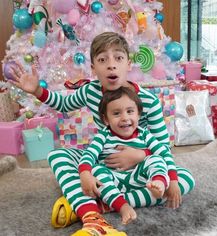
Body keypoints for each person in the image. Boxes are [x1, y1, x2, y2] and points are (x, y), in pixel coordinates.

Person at [10, 31, 195, 236]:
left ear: (128, 65)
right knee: (57, 155)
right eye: (102, 59)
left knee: (184, 179)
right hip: (104, 164)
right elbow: (63, 104)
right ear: (93, 68)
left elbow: (162, 144)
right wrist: (37, 91)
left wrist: (142, 155)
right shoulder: (90, 91)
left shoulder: (148, 101)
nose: (111, 65)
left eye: (118, 58)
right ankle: (93, 215)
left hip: (140, 168)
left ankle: (98, 204)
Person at [79, 86, 170, 227]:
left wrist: (170, 178)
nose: (125, 118)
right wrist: (85, 173)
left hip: (140, 179)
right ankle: (122, 205)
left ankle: (158, 184)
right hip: (113, 180)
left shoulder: (144, 134)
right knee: (96, 170)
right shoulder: (104, 136)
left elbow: (163, 152)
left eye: (130, 112)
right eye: (116, 113)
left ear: (138, 115)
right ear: (106, 119)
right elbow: (89, 154)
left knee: (156, 159)